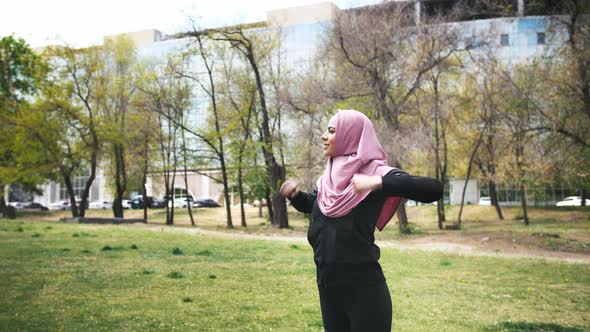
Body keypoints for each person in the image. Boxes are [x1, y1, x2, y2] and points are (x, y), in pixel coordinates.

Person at [280, 109, 442, 332]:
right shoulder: (328, 179)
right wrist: (297, 197)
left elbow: (434, 189)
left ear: (350, 136)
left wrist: (377, 182)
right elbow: (319, 208)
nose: (323, 136)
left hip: (364, 293)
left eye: (331, 131)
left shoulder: (375, 174)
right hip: (328, 288)